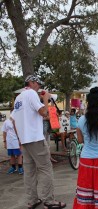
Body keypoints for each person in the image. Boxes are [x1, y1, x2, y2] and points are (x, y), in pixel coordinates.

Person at [11, 75, 66, 209]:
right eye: (38, 84)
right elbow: (43, 112)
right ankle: (49, 200)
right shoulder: (31, 93)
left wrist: (19, 138)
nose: (39, 87)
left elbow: (13, 120)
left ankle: (32, 200)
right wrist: (46, 99)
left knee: (29, 171)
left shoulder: (19, 98)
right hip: (35, 138)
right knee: (45, 168)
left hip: (25, 140)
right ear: (32, 83)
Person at [2, 109, 24, 175]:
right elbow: (4, 132)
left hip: (17, 141)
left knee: (19, 154)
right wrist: (5, 142)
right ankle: (13, 167)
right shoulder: (6, 122)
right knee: (12, 155)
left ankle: (20, 167)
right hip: (10, 142)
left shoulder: (19, 121)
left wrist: (21, 140)